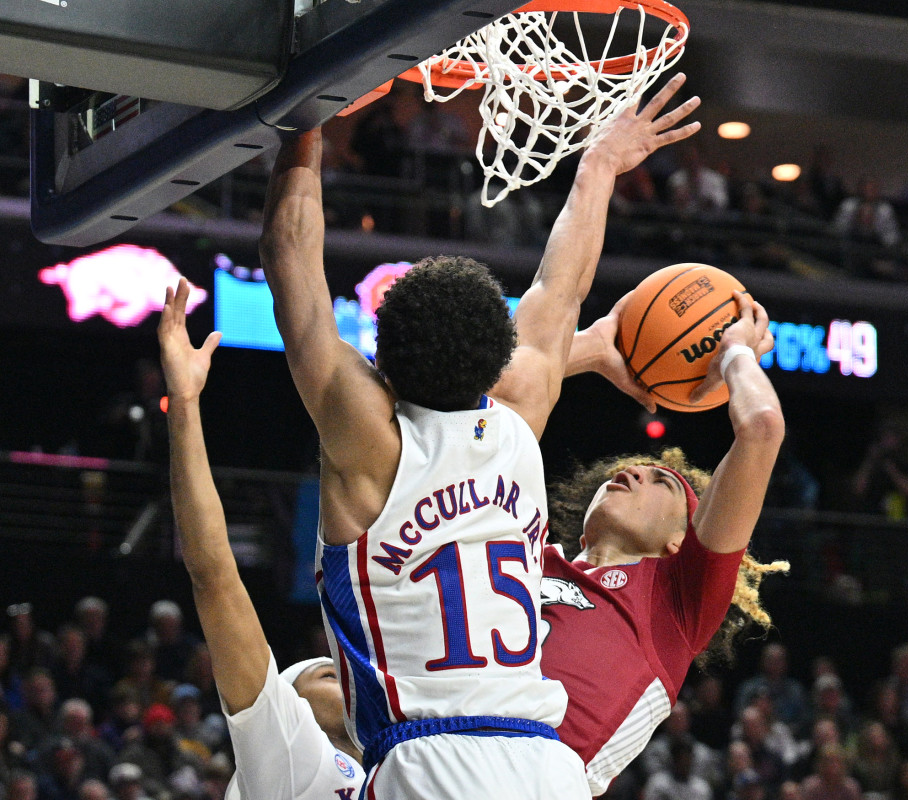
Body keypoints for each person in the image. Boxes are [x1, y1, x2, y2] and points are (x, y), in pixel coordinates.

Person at [259, 75, 701, 800]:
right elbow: (560, 290)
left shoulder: (366, 443)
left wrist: (306, 111)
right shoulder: (520, 420)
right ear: (496, 361)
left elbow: (289, 252)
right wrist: (598, 166)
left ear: (382, 366)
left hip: (433, 760)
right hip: (544, 764)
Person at [540, 288, 786, 794]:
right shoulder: (522, 553)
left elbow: (761, 428)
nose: (631, 475)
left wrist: (736, 350)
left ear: (681, 540)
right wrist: (591, 348)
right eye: (628, 472)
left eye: (661, 481)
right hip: (428, 745)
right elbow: (469, 394)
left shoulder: (674, 600)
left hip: (530, 778)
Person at [157, 280, 364, 800]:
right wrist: (184, 403)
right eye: (326, 674)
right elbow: (215, 576)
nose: (345, 676)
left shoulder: (394, 768)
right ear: (282, 699)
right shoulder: (285, 745)